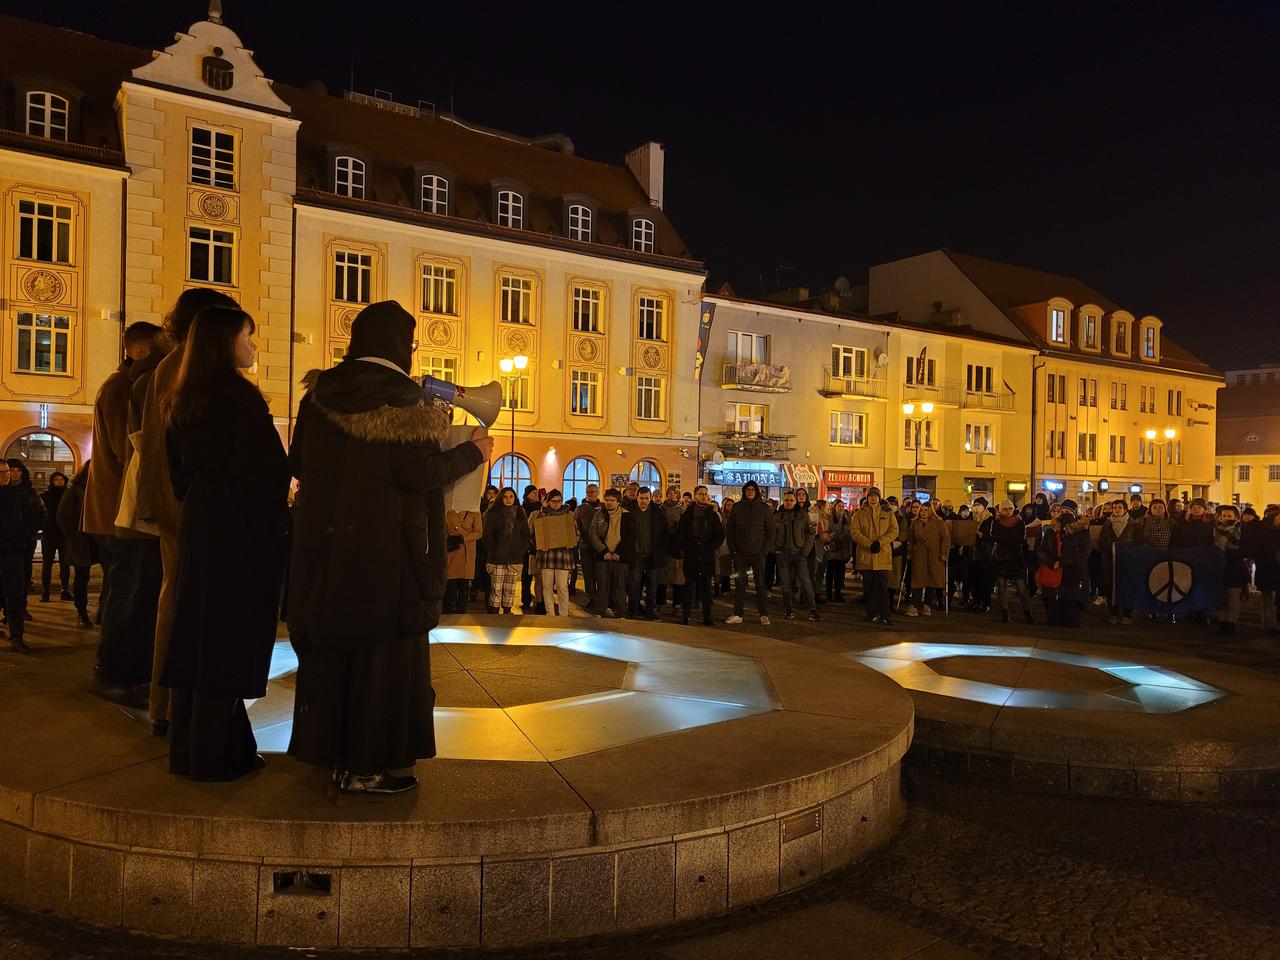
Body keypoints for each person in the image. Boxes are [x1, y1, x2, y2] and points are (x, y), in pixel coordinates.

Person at [287, 300, 492, 796]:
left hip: (325, 552)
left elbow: (298, 463)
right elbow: (420, 474)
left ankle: (329, 752)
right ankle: (367, 766)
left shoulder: (317, 396)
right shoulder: (408, 400)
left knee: (331, 653)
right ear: (401, 345)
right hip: (386, 559)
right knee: (382, 662)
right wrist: (472, 452)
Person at [161, 305, 289, 782]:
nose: (253, 346)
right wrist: (275, 529)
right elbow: (265, 473)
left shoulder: (183, 399)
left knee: (198, 635)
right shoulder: (240, 399)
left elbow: (177, 476)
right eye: (248, 337)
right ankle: (215, 755)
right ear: (225, 342)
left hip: (202, 521)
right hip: (237, 528)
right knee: (226, 640)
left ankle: (195, 749)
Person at [135, 288, 239, 736]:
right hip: (188, 502)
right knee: (185, 602)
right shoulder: (189, 367)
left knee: (173, 596)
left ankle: (166, 702)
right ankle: (176, 705)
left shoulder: (168, 365)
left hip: (170, 497)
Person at [84, 320, 164, 709]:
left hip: (119, 512)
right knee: (125, 593)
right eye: (159, 348)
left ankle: (118, 669)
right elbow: (125, 448)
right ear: (139, 350)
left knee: (126, 591)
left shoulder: (121, 385)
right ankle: (111, 673)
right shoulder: (120, 388)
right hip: (119, 514)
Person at [724, 480, 775, 625]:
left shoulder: (764, 509)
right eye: (748, 490)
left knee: (760, 584)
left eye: (752, 490)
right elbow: (730, 530)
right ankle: (737, 614)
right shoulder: (737, 507)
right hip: (740, 554)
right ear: (744, 491)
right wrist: (733, 549)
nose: (750, 492)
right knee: (740, 584)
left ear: (756, 491)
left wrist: (764, 551)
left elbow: (771, 531)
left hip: (758, 554)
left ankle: (763, 614)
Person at [0, 461, 38, 651]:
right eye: (2, 472)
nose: (6, 475)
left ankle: (17, 636)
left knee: (15, 594)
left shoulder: (19, 495)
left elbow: (35, 517)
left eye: (7, 472)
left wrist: (26, 534)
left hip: (14, 551)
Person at [1036, 499, 1092, 627]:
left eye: (1067, 511)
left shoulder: (1082, 532)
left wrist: (1062, 562)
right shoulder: (1051, 532)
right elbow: (1041, 551)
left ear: (1074, 513)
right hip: (1053, 578)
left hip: (1073, 577)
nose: (1063, 514)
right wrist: (1052, 562)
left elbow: (1083, 553)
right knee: (1053, 619)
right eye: (1061, 511)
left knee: (1071, 618)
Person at [676, 485, 724, 625]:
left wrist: (710, 547)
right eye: (701, 494)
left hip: (706, 555)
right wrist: (688, 547)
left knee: (706, 589)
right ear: (695, 495)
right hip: (691, 555)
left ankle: (707, 616)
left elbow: (719, 534)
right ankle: (686, 615)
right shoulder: (688, 513)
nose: (703, 496)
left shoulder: (712, 514)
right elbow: (680, 534)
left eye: (705, 494)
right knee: (689, 588)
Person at [57, 463, 97, 629]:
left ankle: (102, 612)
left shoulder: (100, 486)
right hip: (81, 540)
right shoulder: (74, 489)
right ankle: (82, 612)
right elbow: (62, 516)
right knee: (82, 577)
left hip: (98, 538)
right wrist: (73, 538)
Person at [852, 487, 897, 625]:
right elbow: (855, 532)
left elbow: (894, 530)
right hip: (867, 556)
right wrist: (869, 544)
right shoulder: (859, 514)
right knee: (869, 588)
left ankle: (885, 615)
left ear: (879, 497)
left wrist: (880, 542)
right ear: (867, 497)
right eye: (870, 496)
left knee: (883, 587)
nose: (873, 498)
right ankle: (871, 613)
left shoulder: (887, 513)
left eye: (875, 496)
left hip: (882, 556)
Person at [482, 487, 531, 614]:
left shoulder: (520, 513)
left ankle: (507, 612)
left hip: (514, 558)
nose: (508, 499)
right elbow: (487, 536)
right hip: (496, 558)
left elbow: (526, 535)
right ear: (501, 498)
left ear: (515, 498)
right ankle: (494, 613)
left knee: (510, 588)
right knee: (496, 588)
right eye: (505, 496)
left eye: (511, 496)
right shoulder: (493, 513)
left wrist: (520, 550)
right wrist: (494, 549)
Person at [587, 489, 634, 617]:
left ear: (618, 502)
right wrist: (603, 551)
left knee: (620, 586)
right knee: (602, 585)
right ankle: (601, 611)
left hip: (621, 557)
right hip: (603, 556)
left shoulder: (627, 515)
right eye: (606, 500)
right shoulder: (599, 514)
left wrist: (619, 552)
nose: (608, 503)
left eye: (612, 500)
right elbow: (593, 535)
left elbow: (630, 536)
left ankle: (621, 612)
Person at [775, 490, 819, 621]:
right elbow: (770, 533)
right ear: (783, 501)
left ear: (795, 501)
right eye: (786, 500)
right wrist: (775, 549)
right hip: (783, 554)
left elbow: (811, 534)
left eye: (791, 500)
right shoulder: (777, 516)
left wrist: (805, 552)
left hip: (799, 554)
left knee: (806, 583)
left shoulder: (803, 515)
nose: (789, 502)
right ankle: (788, 610)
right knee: (785, 584)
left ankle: (812, 610)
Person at [531, 489, 575, 616]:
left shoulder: (569, 515)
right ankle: (550, 613)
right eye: (553, 501)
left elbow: (575, 534)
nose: (556, 504)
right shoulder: (541, 515)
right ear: (548, 502)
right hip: (546, 555)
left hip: (563, 555)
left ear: (562, 501)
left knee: (562, 586)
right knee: (547, 586)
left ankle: (563, 614)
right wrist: (539, 544)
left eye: (559, 501)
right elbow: (535, 535)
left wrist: (571, 541)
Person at [627, 487, 668, 619]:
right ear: (637, 498)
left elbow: (663, 533)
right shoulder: (629, 512)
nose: (644, 501)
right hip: (635, 554)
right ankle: (633, 610)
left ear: (650, 498)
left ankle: (650, 611)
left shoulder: (658, 513)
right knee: (634, 584)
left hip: (652, 554)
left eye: (646, 498)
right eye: (641, 498)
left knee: (652, 586)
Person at [989, 500, 1033, 624]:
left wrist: (1005, 539)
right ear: (1001, 510)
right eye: (1005, 509)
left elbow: (1020, 539)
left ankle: (1028, 614)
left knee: (1021, 587)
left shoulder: (1019, 523)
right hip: (1001, 558)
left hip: (1015, 558)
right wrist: (1010, 539)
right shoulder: (996, 522)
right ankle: (1004, 614)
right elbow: (994, 536)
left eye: (1009, 508)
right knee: (1001, 587)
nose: (1007, 511)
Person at [906, 500, 950, 616]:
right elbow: (911, 539)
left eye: (926, 510)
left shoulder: (939, 523)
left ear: (931, 511)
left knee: (932, 579)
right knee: (917, 579)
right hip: (919, 554)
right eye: (922, 510)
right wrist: (910, 552)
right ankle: (915, 604)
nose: (924, 512)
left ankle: (927, 605)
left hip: (934, 554)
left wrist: (943, 553)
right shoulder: (914, 523)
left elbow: (945, 539)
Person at [1099, 499, 1139, 624]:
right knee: (1111, 586)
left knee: (1127, 586)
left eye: (1119, 507)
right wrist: (1109, 548)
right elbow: (1102, 540)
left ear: (1125, 509)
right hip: (1110, 560)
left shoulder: (1133, 524)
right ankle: (1114, 613)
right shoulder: (1107, 524)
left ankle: (1127, 614)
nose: (1117, 510)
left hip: (1128, 561)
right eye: (1115, 507)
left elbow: (1138, 541)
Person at [1213, 504, 1249, 636]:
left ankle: (1231, 624)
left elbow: (1244, 547)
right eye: (1224, 516)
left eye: (1229, 516)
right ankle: (1222, 623)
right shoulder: (1216, 528)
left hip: (1234, 566)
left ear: (1236, 517)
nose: (1226, 518)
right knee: (1221, 598)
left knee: (1233, 598)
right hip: (1220, 565)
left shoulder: (1240, 529)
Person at [39, 471, 71, 603]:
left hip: (64, 535)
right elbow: (41, 513)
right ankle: (45, 591)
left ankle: (65, 590)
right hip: (49, 534)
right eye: (56, 479)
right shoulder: (45, 496)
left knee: (65, 564)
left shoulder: (68, 496)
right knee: (47, 564)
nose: (59, 482)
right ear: (52, 481)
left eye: (61, 480)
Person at [444, 507, 482, 614]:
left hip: (467, 550)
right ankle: (449, 611)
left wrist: (463, 538)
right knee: (451, 584)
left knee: (464, 586)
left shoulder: (474, 511)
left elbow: (478, 532)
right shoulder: (447, 511)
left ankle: (461, 611)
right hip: (452, 550)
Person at [656, 486, 686, 614]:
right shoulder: (661, 509)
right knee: (662, 578)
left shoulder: (683, 509)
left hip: (678, 547)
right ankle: (661, 603)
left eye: (674, 493)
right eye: (669, 493)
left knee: (678, 579)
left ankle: (677, 604)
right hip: (664, 546)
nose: (672, 495)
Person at [574, 484, 601, 607]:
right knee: (588, 574)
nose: (590, 494)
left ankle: (602, 596)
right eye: (588, 491)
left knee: (601, 574)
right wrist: (586, 539)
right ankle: (592, 597)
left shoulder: (604, 508)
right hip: (586, 547)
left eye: (593, 491)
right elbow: (577, 526)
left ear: (598, 492)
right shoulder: (580, 509)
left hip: (601, 547)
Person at [824, 500, 852, 602]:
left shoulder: (848, 519)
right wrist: (834, 537)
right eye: (839, 506)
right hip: (832, 550)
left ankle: (838, 594)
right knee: (830, 573)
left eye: (842, 506)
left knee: (840, 574)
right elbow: (826, 533)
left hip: (843, 551)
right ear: (834, 507)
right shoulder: (830, 518)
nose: (841, 508)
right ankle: (829, 594)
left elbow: (851, 533)